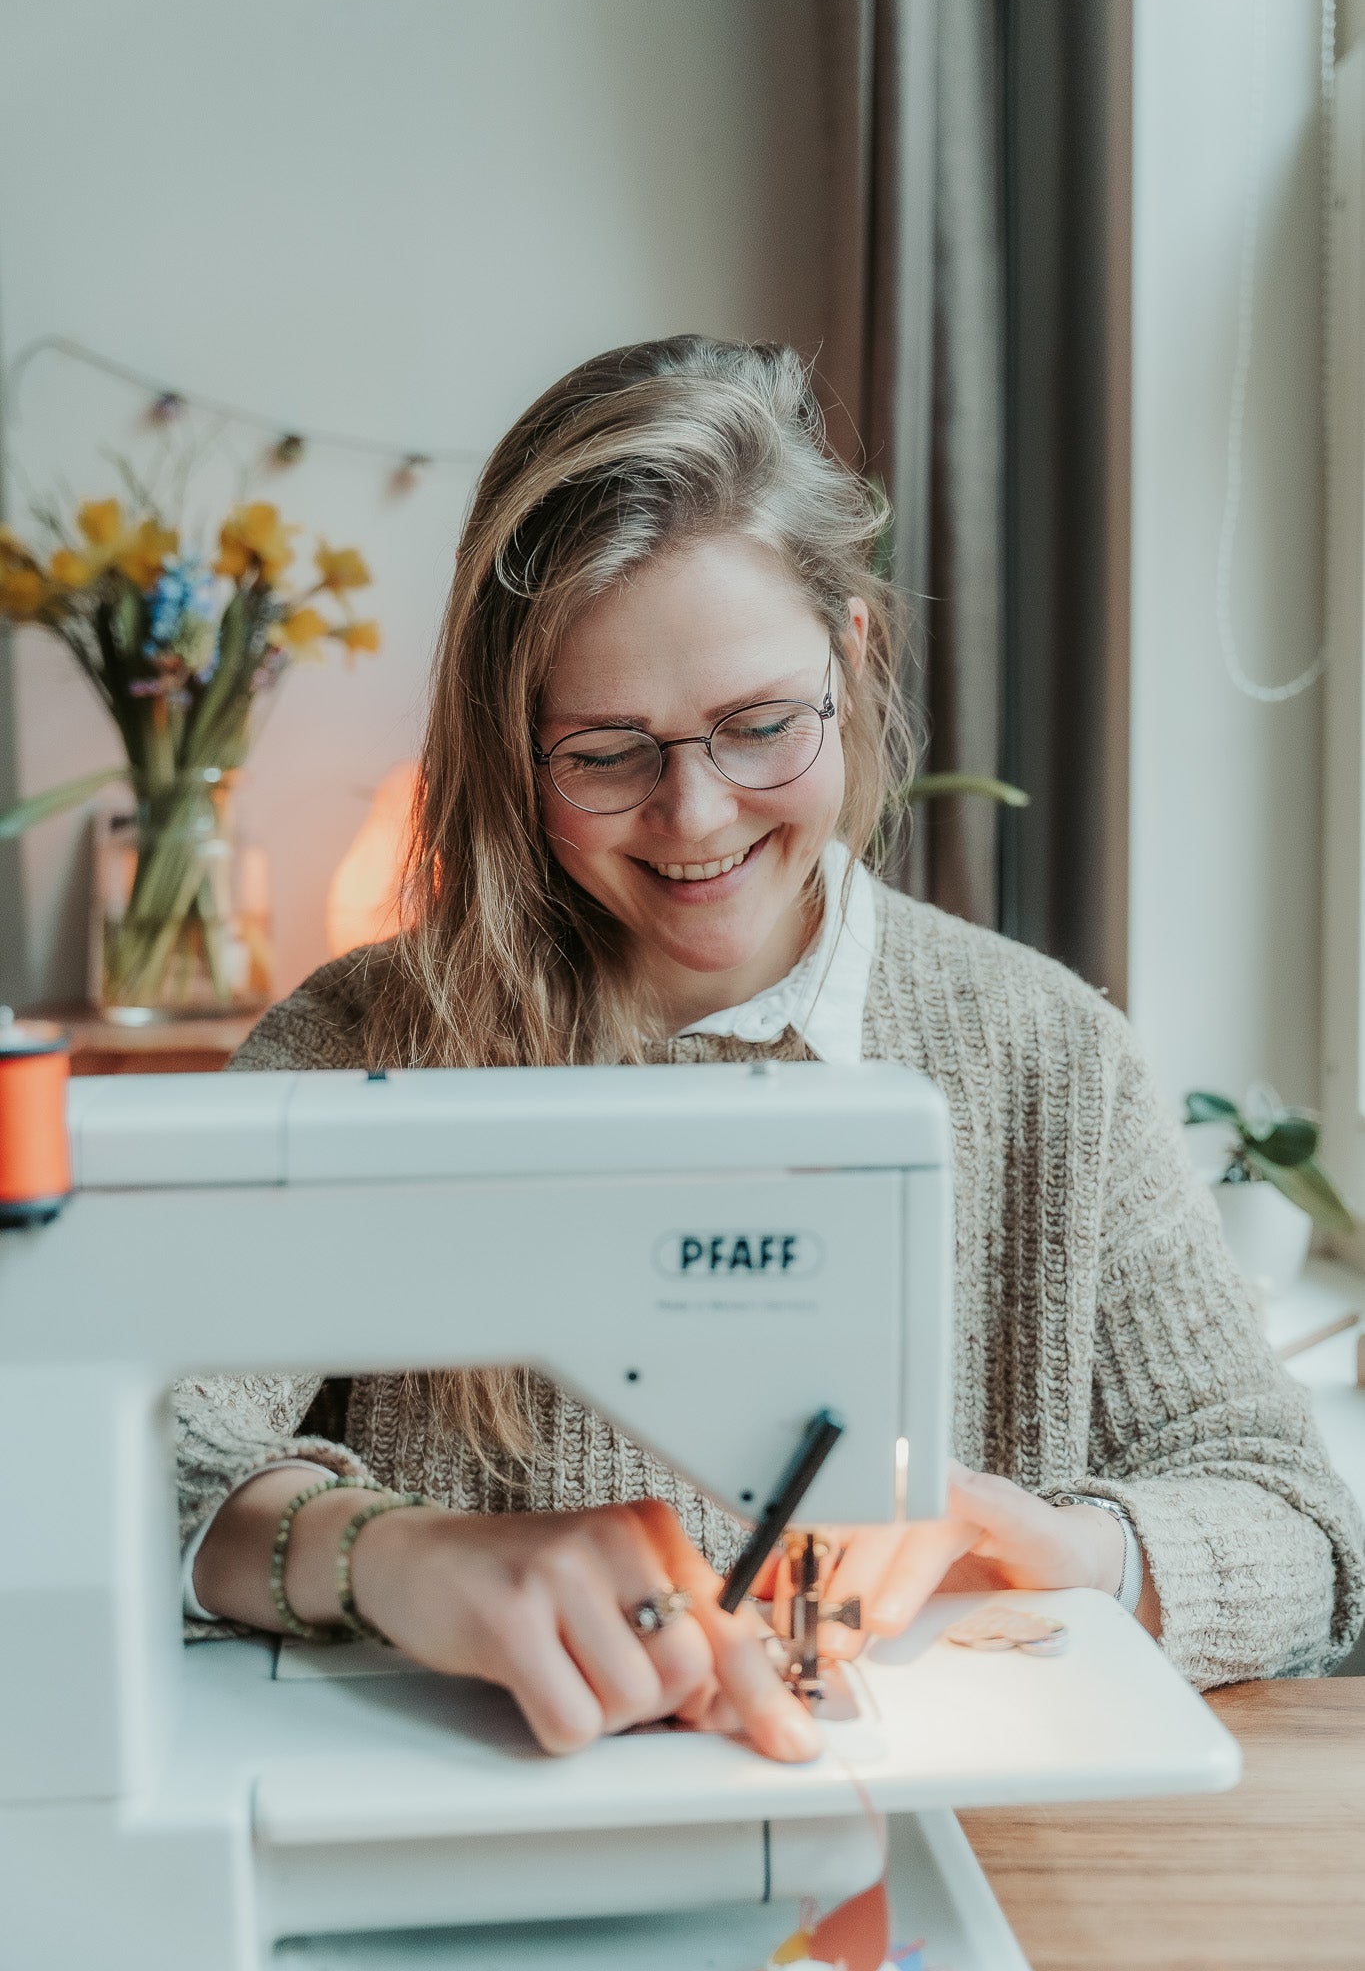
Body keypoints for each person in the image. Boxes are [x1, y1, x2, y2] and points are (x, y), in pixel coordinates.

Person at [181, 336, 1364, 1764]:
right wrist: (384, 1551)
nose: (694, 818)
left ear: (851, 655)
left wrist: (1068, 1543)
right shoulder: (361, 1051)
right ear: (512, 742)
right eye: (605, 751)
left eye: (756, 728)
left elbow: (1299, 1530)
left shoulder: (1049, 1062)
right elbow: (113, 1450)